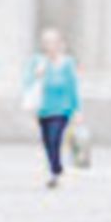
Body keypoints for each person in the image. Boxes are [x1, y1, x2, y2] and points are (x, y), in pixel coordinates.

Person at [24, 28, 80, 188]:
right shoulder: (37, 61)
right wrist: (37, 74)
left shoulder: (67, 63)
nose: (50, 45)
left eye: (52, 41)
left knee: (55, 139)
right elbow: (28, 83)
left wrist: (77, 110)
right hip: (43, 108)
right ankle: (55, 170)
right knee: (47, 142)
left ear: (59, 43)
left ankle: (56, 171)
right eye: (46, 42)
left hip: (62, 109)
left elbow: (72, 87)